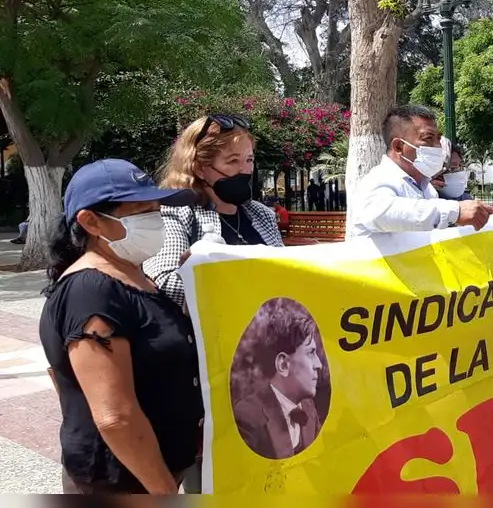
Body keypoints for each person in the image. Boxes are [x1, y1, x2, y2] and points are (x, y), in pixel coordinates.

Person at [38, 159, 203, 494]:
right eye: (141, 210)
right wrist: (164, 493)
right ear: (90, 221)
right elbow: (115, 417)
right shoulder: (91, 291)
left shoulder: (137, 279)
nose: (156, 219)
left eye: (156, 209)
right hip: (124, 483)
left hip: (154, 476)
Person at [143, 113, 284, 493]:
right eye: (232, 162)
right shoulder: (180, 212)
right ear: (202, 167)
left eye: (250, 160)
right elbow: (162, 278)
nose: (245, 171)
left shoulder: (261, 215)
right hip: (206, 367)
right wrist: (204, 274)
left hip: (263, 367)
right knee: (207, 475)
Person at [348, 105, 493, 239]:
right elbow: (379, 213)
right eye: (428, 138)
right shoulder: (378, 180)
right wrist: (454, 211)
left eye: (438, 138)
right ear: (399, 146)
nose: (437, 146)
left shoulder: (427, 189)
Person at [233, 300, 324, 460]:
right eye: (310, 353)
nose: (318, 364)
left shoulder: (309, 409)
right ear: (283, 364)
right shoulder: (248, 418)